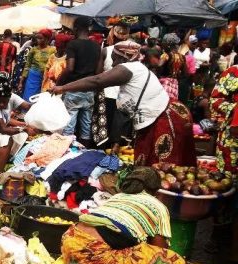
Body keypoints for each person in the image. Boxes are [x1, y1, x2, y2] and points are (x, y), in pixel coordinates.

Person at [52, 40, 196, 166]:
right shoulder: (136, 68)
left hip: (164, 119)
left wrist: (63, 87)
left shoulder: (128, 68)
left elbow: (96, 81)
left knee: (161, 165)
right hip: (163, 115)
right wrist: (115, 143)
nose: (113, 63)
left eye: (114, 59)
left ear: (123, 57)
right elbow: (123, 112)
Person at [60, 167, 186, 264]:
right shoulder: (158, 206)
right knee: (173, 262)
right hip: (91, 258)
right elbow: (159, 251)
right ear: (156, 191)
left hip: (69, 242)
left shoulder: (117, 197)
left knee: (127, 245)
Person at [56, 16, 102, 147]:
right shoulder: (96, 46)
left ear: (76, 29)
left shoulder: (73, 44)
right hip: (89, 90)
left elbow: (70, 68)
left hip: (73, 89)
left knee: (69, 124)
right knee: (86, 125)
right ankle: (84, 152)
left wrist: (58, 83)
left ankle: (67, 153)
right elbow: (99, 72)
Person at [20, 29, 56, 101]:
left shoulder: (53, 50)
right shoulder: (33, 50)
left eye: (40, 38)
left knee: (42, 98)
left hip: (46, 78)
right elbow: (27, 65)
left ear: (47, 39)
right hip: (33, 77)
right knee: (30, 97)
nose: (38, 40)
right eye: (37, 38)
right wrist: (21, 81)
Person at [158, 33, 188, 103]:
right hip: (175, 84)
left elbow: (159, 65)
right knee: (172, 103)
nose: (162, 45)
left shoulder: (166, 55)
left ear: (168, 44)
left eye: (164, 43)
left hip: (164, 83)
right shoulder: (182, 57)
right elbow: (185, 73)